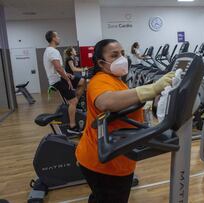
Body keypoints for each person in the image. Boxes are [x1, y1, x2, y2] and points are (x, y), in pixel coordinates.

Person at [75, 39, 175, 203]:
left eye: (122, 53)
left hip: (114, 156)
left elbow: (124, 102)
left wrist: (148, 100)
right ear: (101, 62)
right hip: (104, 162)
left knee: (100, 198)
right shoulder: (99, 80)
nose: (122, 58)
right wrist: (152, 89)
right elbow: (107, 101)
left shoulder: (115, 79)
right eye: (114, 55)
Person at [43, 30, 83, 135]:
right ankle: (72, 126)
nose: (59, 38)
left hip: (58, 78)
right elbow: (58, 68)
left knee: (82, 81)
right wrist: (67, 79)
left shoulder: (49, 50)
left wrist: (67, 74)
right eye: (57, 36)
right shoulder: (52, 51)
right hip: (58, 80)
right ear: (53, 38)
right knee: (73, 101)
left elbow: (59, 68)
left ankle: (76, 106)